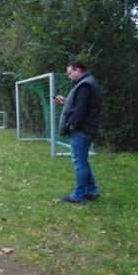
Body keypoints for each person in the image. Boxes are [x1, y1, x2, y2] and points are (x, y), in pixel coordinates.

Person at [56, 61, 101, 203]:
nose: (69, 77)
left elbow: (81, 110)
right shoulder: (88, 83)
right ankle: (92, 190)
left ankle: (78, 195)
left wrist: (71, 126)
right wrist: (66, 102)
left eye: (70, 73)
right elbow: (80, 105)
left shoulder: (85, 85)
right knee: (83, 161)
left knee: (79, 163)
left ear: (78, 70)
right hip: (87, 128)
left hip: (82, 130)